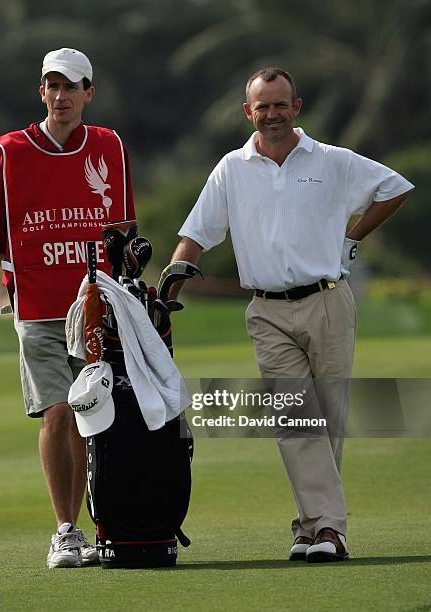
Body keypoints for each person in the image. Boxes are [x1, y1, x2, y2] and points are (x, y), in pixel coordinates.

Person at [168, 67, 413, 562]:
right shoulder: (231, 168)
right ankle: (330, 532)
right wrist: (172, 274)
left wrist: (352, 238)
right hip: (267, 311)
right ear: (248, 111)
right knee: (296, 419)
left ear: (296, 108)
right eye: (263, 106)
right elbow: (198, 232)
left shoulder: (333, 160)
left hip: (328, 301)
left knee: (328, 421)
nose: (272, 114)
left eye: (281, 104)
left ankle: (311, 528)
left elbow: (395, 188)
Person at [0, 48, 136, 568]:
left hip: (96, 305)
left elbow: (123, 230)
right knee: (59, 411)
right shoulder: (9, 150)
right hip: (40, 309)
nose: (60, 96)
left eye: (71, 87)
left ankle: (102, 526)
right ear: (41, 91)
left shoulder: (108, 146)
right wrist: (21, 284)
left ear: (90, 93)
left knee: (91, 416)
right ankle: (65, 532)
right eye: (52, 86)